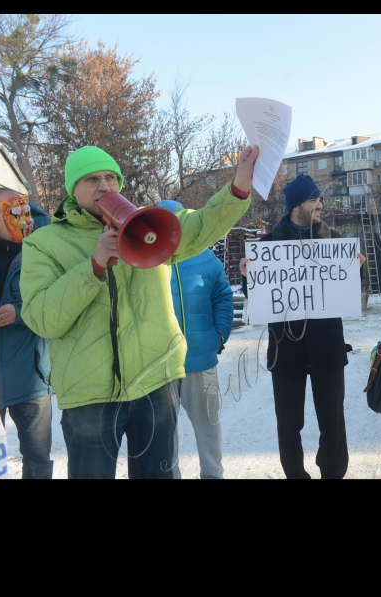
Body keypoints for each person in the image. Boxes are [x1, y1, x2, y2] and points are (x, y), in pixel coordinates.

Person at [20, 144, 258, 479]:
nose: (104, 186)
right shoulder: (43, 244)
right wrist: (93, 266)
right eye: (91, 179)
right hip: (89, 394)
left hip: (154, 383)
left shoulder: (148, 221)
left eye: (110, 177)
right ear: (72, 190)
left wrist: (238, 188)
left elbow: (202, 223)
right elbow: (42, 318)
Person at [240, 174, 364, 479]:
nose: (320, 204)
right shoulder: (267, 246)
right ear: (296, 205)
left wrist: (356, 271)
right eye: (314, 199)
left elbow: (350, 296)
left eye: (320, 198)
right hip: (286, 349)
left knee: (333, 421)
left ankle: (333, 473)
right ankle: (295, 474)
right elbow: (258, 297)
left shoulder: (335, 242)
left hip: (327, 347)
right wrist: (247, 276)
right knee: (288, 422)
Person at [159, 200, 234, 480]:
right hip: (159, 366)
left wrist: (219, 335)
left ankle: (213, 475)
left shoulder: (205, 257)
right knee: (165, 432)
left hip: (202, 362)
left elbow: (223, 296)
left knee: (209, 425)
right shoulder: (147, 256)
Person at [0, 189, 53, 479]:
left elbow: (57, 300)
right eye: (14, 215)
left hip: (30, 375)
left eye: (27, 213)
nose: (25, 221)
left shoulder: (43, 250)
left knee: (38, 459)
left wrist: (21, 311)